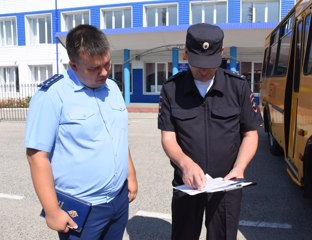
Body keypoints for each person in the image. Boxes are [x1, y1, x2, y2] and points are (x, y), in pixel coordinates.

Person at [25, 24, 138, 240]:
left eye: (107, 64)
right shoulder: (52, 95)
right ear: (74, 65)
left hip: (118, 200)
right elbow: (37, 156)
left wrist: (130, 175)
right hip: (82, 209)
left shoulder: (112, 88)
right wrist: (51, 210)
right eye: (94, 68)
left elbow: (118, 135)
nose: (104, 72)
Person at [158, 23, 263, 240]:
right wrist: (185, 164)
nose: (204, 70)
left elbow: (251, 133)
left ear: (221, 53)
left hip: (226, 185)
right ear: (186, 54)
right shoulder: (171, 89)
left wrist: (240, 167)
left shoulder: (238, 87)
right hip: (187, 184)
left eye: (210, 63)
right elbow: (168, 137)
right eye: (198, 64)